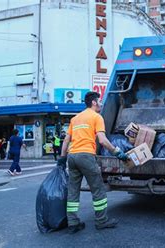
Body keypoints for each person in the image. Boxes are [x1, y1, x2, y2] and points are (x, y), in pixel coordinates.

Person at [59, 91, 128, 234]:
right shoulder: (96, 117)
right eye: (100, 101)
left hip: (72, 156)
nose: (101, 104)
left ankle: (72, 223)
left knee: (73, 191)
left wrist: (62, 158)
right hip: (86, 156)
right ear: (94, 102)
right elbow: (102, 140)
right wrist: (117, 152)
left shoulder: (75, 118)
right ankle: (101, 221)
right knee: (98, 189)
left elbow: (66, 140)